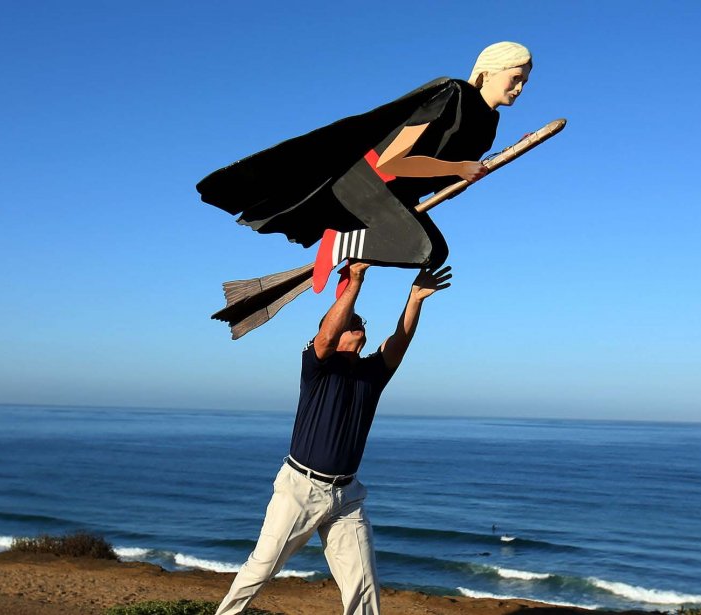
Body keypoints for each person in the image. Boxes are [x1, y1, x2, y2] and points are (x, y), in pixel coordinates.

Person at [214, 261, 452, 615]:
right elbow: (327, 334)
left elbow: (399, 342)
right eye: (351, 322)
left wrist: (414, 298)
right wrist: (354, 281)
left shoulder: (372, 374)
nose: (359, 324)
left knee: (363, 585)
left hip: (347, 496)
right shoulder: (317, 366)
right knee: (262, 567)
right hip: (301, 489)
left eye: (361, 323)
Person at [197, 42, 533, 292]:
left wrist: (468, 174)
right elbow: (393, 160)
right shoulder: (453, 94)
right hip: (366, 182)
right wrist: (460, 167)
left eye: (525, 82)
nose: (519, 88)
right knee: (427, 249)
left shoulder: (490, 124)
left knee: (436, 252)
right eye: (515, 77)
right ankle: (341, 241)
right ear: (488, 71)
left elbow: (441, 179)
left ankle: (354, 258)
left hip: (396, 194)